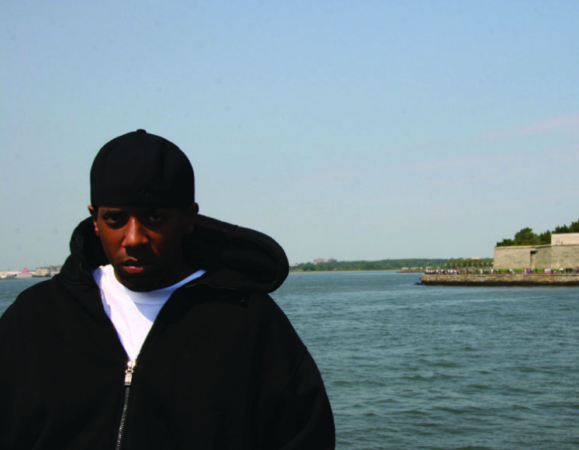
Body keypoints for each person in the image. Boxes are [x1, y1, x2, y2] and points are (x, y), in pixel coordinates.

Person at [0, 129, 335, 449]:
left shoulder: (248, 321)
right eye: (115, 219)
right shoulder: (36, 317)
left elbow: (305, 435)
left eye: (155, 218)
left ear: (188, 218)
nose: (134, 238)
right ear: (95, 220)